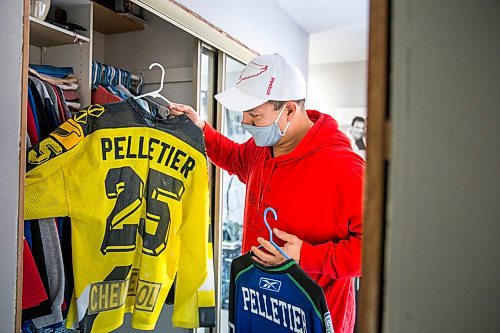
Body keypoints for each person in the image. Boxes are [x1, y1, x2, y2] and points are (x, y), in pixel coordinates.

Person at [168, 53, 365, 333]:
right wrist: (201, 129)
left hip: (312, 318)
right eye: (245, 113)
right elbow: (235, 158)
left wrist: (308, 257)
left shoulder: (344, 167)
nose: (246, 122)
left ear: (289, 110)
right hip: (258, 307)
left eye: (255, 115)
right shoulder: (263, 146)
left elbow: (375, 248)